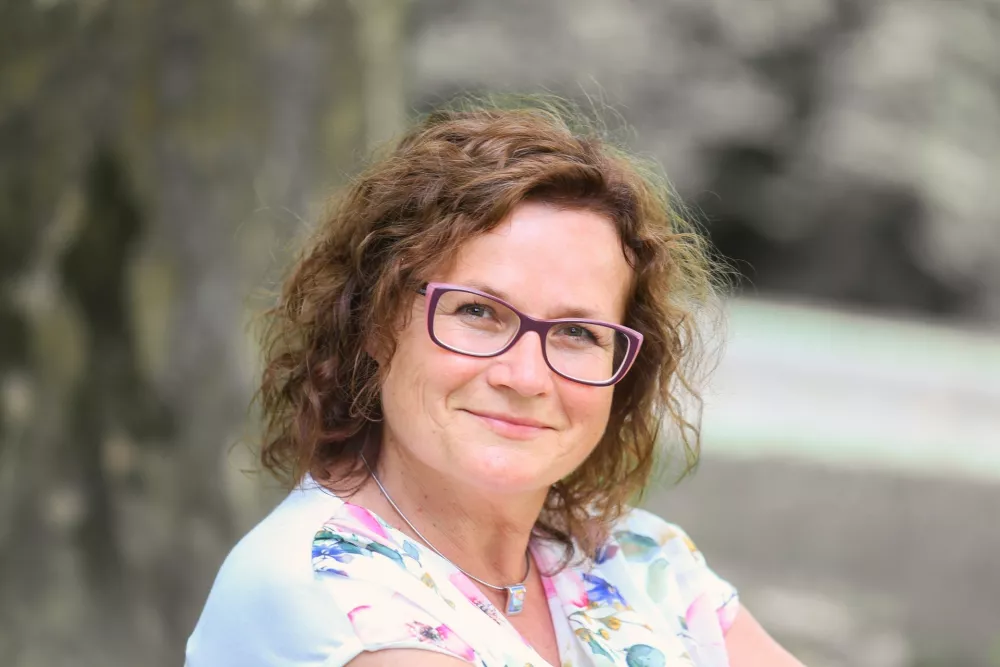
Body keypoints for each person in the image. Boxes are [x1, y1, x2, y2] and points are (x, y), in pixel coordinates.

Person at [185, 100, 804, 667]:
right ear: (375, 322)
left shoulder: (640, 559)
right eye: (478, 312)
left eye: (578, 332)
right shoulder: (325, 592)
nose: (526, 377)